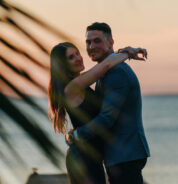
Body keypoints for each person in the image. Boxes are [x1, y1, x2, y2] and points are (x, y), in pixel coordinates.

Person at [48, 41, 147, 184]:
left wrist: (125, 52)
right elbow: (105, 66)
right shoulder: (72, 87)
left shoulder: (78, 83)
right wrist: (128, 52)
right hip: (83, 159)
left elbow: (103, 66)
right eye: (71, 57)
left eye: (77, 53)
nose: (78, 58)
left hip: (89, 157)